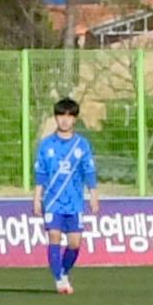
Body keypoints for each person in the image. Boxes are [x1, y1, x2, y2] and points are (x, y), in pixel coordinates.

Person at [34, 96, 98, 294]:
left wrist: (93, 194)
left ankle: (63, 271)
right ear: (56, 117)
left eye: (69, 116)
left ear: (75, 119)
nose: (65, 119)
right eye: (61, 115)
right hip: (53, 201)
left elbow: (88, 170)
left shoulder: (82, 145)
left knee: (75, 243)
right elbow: (41, 173)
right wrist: (37, 197)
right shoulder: (46, 145)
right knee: (54, 236)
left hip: (75, 202)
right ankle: (59, 279)